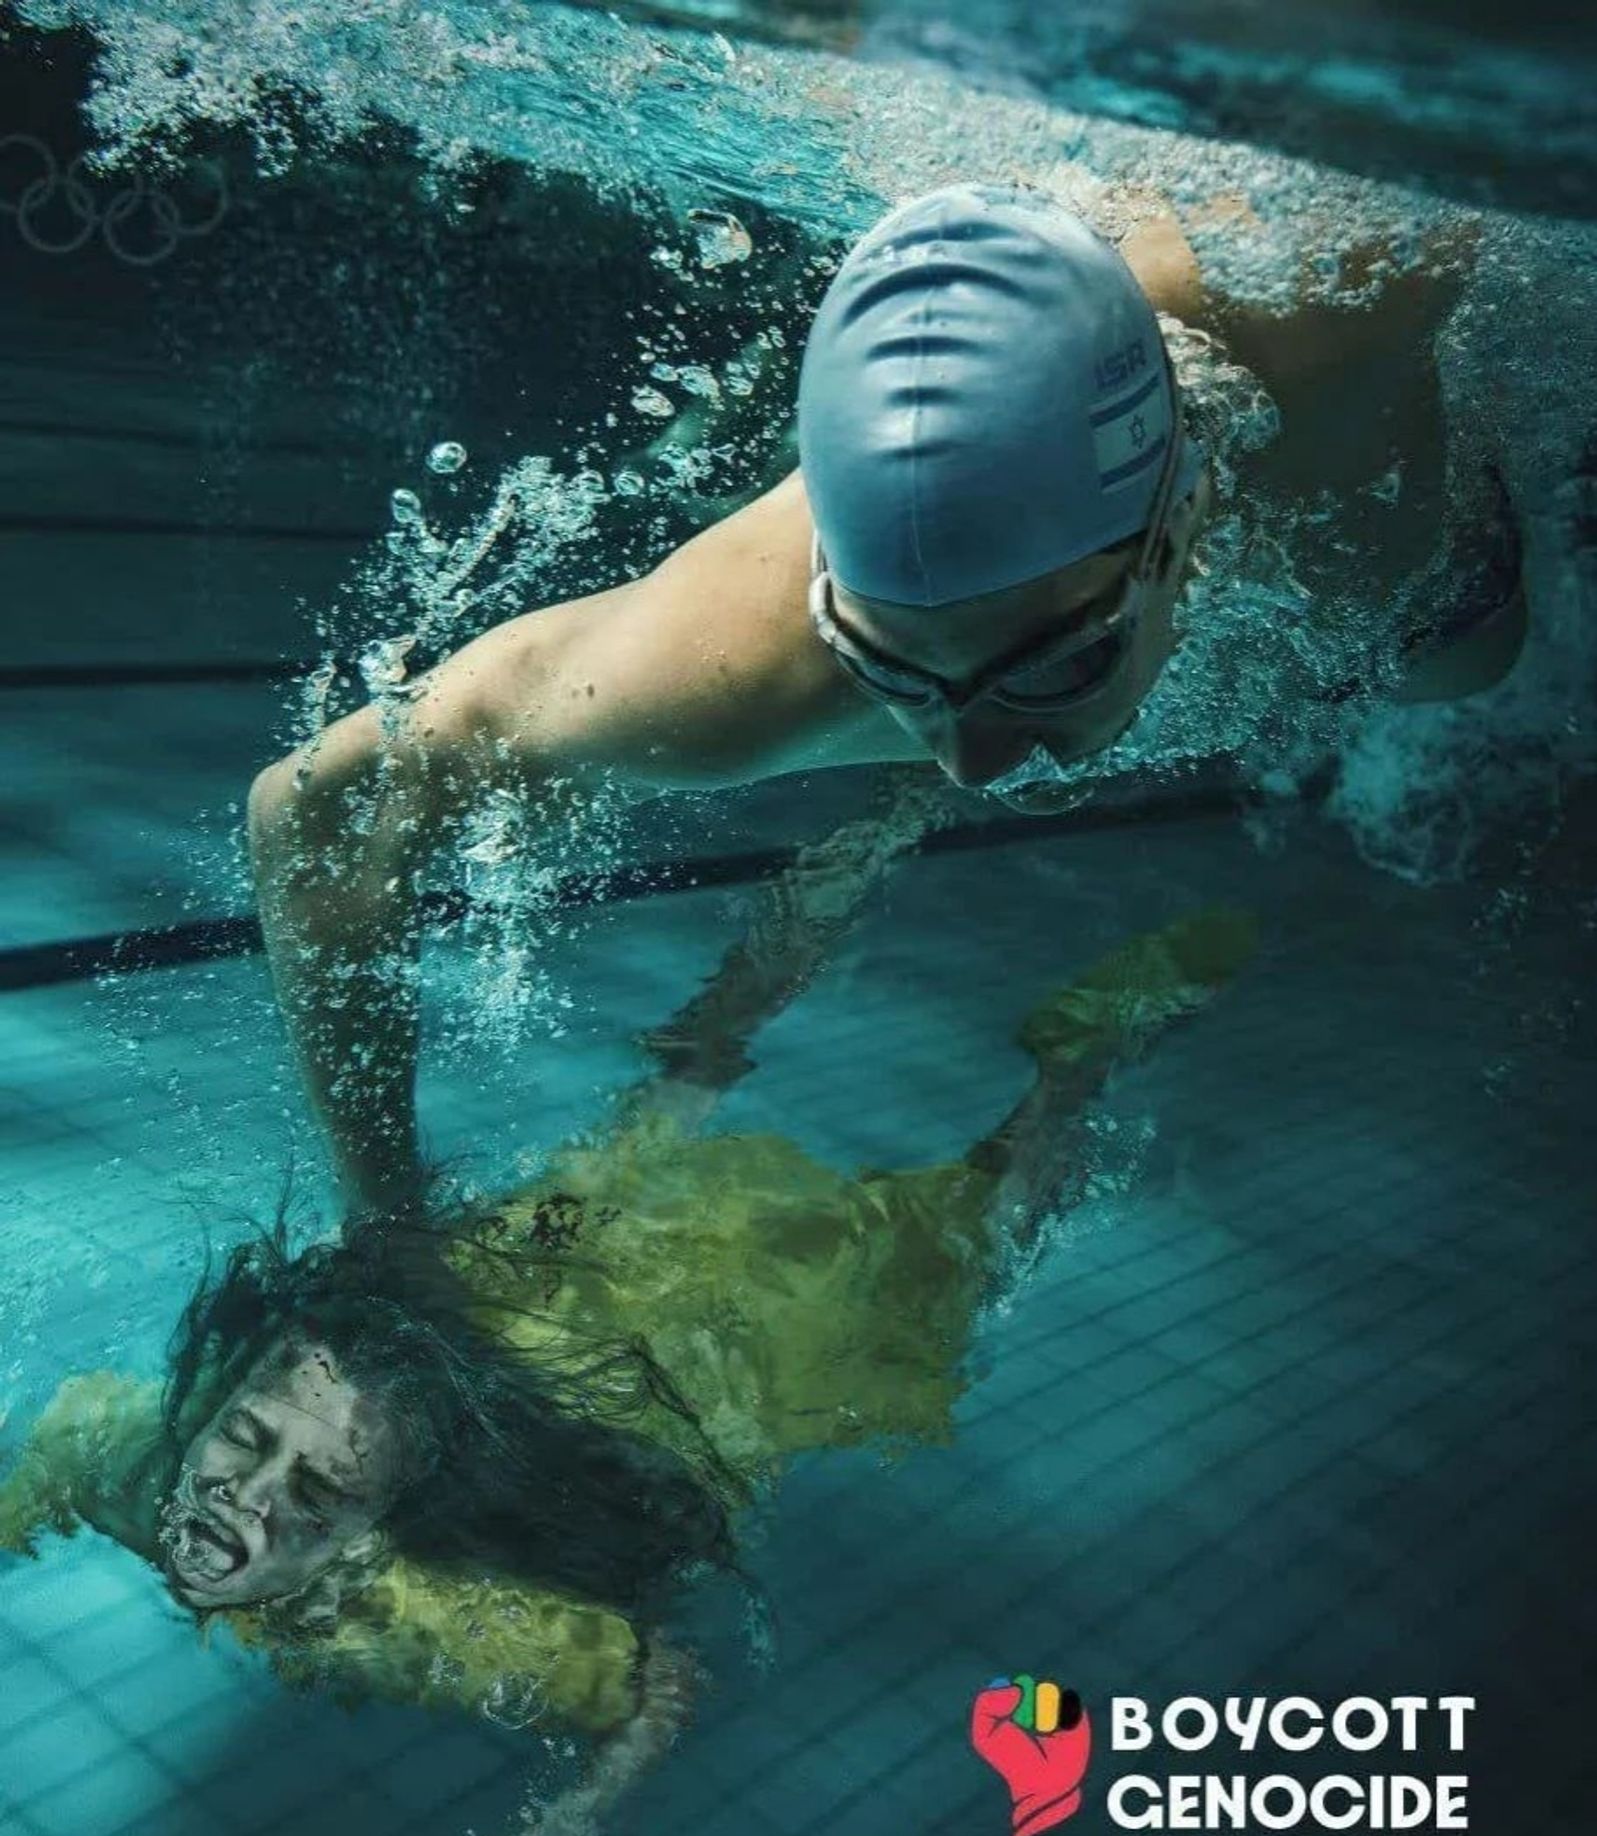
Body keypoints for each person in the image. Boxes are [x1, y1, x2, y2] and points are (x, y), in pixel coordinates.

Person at [0, 795, 1254, 1836]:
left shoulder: (444, 1619)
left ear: (383, 1524)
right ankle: (843, 864)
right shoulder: (116, 1448)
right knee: (650, 1111)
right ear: (216, 1403)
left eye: (318, 1488)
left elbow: (658, 1684)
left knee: (969, 1243)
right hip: (521, 1269)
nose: (246, 1505)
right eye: (251, 1440)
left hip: (722, 1339)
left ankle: (1069, 1064)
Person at [247, 182, 1524, 1222]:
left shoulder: (1336, 278)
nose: (977, 763)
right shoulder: (734, 670)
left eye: (1059, 662)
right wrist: (387, 1220)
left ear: (1180, 513)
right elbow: (312, 814)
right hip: (1365, 579)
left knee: (1475, 660)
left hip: (1428, 578)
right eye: (888, 671)